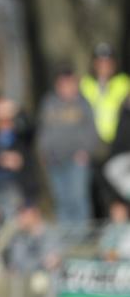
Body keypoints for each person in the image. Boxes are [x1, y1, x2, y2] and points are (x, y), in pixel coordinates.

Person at [37, 65, 99, 224]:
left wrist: (85, 151)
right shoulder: (49, 103)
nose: (66, 88)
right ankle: (67, 241)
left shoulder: (84, 104)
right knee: (62, 201)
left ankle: (82, 240)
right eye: (62, 84)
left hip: (76, 160)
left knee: (78, 199)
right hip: (54, 161)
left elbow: (92, 131)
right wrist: (44, 151)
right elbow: (44, 130)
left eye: (69, 83)